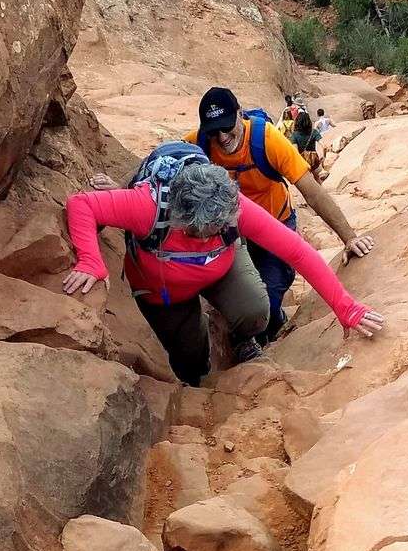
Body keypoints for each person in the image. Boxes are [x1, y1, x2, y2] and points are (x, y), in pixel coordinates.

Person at [63, 151, 384, 386]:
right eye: (199, 232)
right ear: (178, 216)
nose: (208, 236)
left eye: (217, 229)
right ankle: (199, 364)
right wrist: (91, 260)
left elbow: (297, 251)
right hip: (163, 288)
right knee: (189, 359)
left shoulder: (235, 208)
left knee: (257, 311)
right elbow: (82, 204)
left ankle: (240, 338)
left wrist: (347, 309)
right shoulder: (148, 205)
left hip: (220, 269)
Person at [187, 87, 375, 343]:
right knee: (243, 300)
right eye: (213, 130)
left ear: (240, 114)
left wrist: (349, 237)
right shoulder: (197, 145)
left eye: (226, 127)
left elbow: (311, 190)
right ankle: (258, 336)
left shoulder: (266, 139)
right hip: (231, 233)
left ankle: (272, 332)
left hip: (275, 225)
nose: (221, 137)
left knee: (271, 296)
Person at [290, 110, 323, 179]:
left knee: (308, 182)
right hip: (313, 160)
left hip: (302, 162)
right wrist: (323, 157)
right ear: (308, 121)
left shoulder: (294, 135)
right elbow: (324, 145)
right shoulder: (314, 132)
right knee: (318, 179)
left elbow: (296, 152)